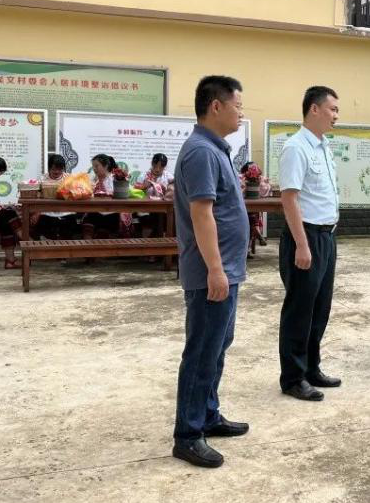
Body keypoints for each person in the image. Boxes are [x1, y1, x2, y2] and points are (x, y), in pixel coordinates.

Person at [171, 75, 250, 469]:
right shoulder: (201, 151)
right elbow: (202, 215)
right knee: (202, 351)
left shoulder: (215, 149)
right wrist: (216, 271)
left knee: (217, 348)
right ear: (216, 106)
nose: (241, 112)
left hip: (226, 271)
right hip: (211, 275)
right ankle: (187, 434)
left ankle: (208, 414)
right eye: (238, 105)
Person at [277, 86, 341, 402]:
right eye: (332, 109)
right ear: (314, 109)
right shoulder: (296, 147)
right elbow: (289, 199)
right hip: (306, 237)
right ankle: (292, 377)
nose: (336, 115)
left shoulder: (323, 146)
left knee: (320, 308)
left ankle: (311, 368)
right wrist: (302, 246)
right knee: (299, 310)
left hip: (326, 237)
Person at [34, 153, 78, 241]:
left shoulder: (69, 178)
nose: (57, 172)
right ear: (49, 168)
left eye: (60, 169)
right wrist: (37, 212)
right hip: (47, 212)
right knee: (43, 230)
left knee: (68, 231)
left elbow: (75, 194)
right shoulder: (42, 179)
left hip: (66, 212)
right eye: (54, 169)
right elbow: (37, 197)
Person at [81, 154, 120, 240]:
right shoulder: (93, 180)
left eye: (96, 166)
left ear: (106, 166)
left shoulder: (115, 179)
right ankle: (87, 250)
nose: (94, 169)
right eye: (93, 166)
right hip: (95, 212)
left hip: (111, 213)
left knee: (103, 232)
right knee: (87, 224)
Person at [135, 153, 172, 241]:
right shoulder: (143, 176)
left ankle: (156, 243)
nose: (157, 169)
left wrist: (167, 190)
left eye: (161, 167)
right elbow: (134, 192)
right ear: (152, 163)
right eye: (155, 166)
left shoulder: (168, 177)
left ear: (165, 167)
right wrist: (143, 187)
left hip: (163, 209)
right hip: (145, 208)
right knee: (156, 216)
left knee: (161, 215)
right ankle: (155, 243)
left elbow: (175, 190)